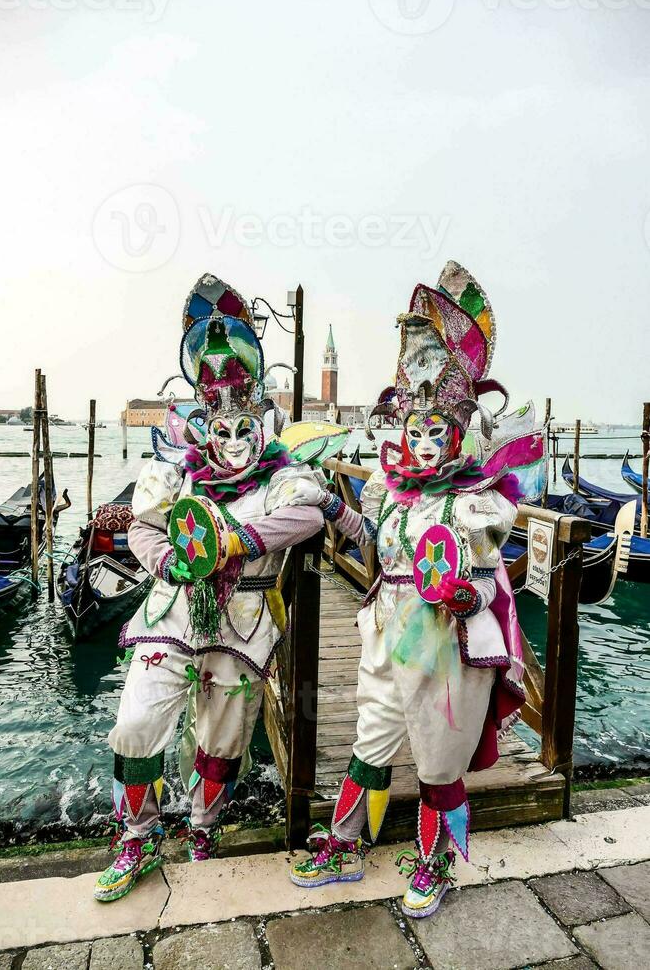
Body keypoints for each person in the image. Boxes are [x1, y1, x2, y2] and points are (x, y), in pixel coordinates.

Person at [289, 261, 526, 919]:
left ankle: (433, 862)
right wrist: (332, 511)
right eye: (412, 430)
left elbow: (490, 582)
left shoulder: (475, 502)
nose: (421, 443)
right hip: (383, 632)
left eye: (434, 431)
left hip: (442, 646)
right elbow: (373, 544)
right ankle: (342, 847)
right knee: (369, 745)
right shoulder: (385, 491)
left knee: (436, 760)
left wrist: (460, 596)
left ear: (456, 433)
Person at [95, 274, 323, 902]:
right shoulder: (175, 464)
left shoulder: (281, 469)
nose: (228, 435)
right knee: (137, 720)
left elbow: (308, 514)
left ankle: (203, 827)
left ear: (256, 410)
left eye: (240, 422)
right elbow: (143, 525)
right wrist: (170, 559)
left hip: (243, 621)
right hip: (170, 614)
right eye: (216, 422)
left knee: (222, 739)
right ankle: (136, 836)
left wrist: (232, 543)